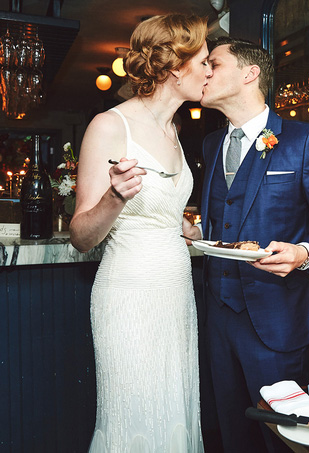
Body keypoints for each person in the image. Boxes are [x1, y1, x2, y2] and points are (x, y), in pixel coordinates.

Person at [191, 37, 309, 452]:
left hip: (277, 320)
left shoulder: (303, 139)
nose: (204, 72)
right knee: (231, 433)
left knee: (283, 439)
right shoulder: (212, 144)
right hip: (218, 317)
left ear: (250, 73)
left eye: (214, 64)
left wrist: (304, 253)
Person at [69, 14, 210, 452]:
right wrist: (115, 198)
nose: (209, 71)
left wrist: (186, 228)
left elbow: (163, 212)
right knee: (135, 417)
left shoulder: (175, 130)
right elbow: (80, 235)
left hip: (176, 294)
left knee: (174, 412)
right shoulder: (111, 125)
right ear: (174, 67)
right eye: (203, 62)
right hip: (129, 296)